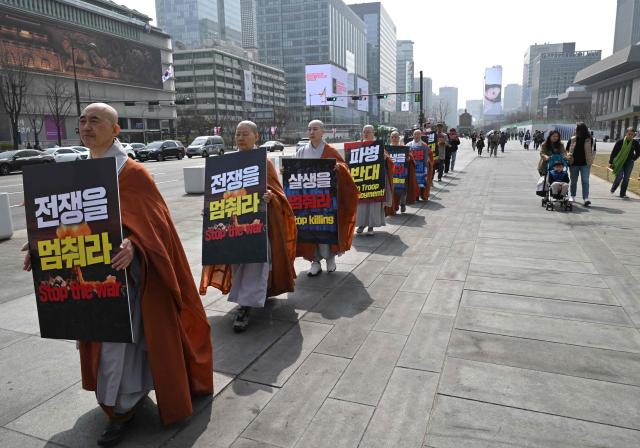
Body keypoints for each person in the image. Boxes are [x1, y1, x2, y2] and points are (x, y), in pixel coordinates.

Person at [20, 103, 214, 446]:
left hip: (132, 279)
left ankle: (121, 410)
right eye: (82, 120)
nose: (86, 125)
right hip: (91, 278)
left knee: (119, 347)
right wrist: (39, 248)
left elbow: (157, 229)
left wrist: (134, 245)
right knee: (111, 345)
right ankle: (125, 402)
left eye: (95, 120)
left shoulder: (135, 174)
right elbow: (67, 225)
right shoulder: (78, 174)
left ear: (116, 129)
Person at [201, 121, 296, 331]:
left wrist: (272, 198)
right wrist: (209, 212)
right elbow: (217, 195)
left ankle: (244, 307)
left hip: (257, 227)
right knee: (238, 263)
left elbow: (280, 195)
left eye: (245, 134)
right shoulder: (226, 163)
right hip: (233, 227)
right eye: (237, 134)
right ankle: (248, 299)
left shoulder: (264, 163)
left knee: (256, 263)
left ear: (256, 137)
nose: (240, 138)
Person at [295, 120, 358, 275]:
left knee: (326, 228)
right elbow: (294, 171)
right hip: (308, 199)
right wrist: (286, 171)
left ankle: (330, 258)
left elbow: (344, 167)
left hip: (326, 200)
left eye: (315, 129)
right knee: (310, 229)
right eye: (309, 129)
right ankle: (315, 261)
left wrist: (339, 169)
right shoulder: (301, 151)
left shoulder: (330, 150)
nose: (311, 132)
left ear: (323, 132)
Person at [354, 125, 394, 235]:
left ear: (373, 133)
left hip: (376, 180)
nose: (366, 134)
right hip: (362, 179)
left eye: (368, 132)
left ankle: (371, 226)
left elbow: (390, 161)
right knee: (361, 204)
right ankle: (361, 224)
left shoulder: (379, 146)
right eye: (364, 132)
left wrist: (385, 158)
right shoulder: (358, 145)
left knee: (374, 204)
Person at [388, 130, 419, 214]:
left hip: (402, 173)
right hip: (391, 174)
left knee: (402, 190)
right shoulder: (386, 149)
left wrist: (409, 159)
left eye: (396, 137)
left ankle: (403, 204)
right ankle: (393, 207)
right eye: (392, 137)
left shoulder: (403, 148)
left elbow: (410, 158)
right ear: (390, 138)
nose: (394, 138)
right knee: (392, 191)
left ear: (399, 138)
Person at [567, 122, 595, 206]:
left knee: (585, 181)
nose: (575, 130)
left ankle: (586, 198)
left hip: (585, 164)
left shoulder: (590, 139)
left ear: (581, 130)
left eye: (576, 129)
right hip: (574, 163)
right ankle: (572, 196)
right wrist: (568, 156)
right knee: (573, 181)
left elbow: (594, 151)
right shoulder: (572, 139)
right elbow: (567, 149)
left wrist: (591, 160)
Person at [609, 127, 640, 198]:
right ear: (626, 133)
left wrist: (634, 158)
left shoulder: (635, 143)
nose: (630, 136)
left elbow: (638, 152)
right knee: (619, 176)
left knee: (626, 178)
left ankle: (622, 194)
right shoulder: (620, 142)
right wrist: (610, 162)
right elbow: (614, 152)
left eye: (632, 135)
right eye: (629, 134)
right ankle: (613, 188)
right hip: (619, 162)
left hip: (629, 162)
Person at [408, 129, 432, 200]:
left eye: (418, 134)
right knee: (413, 182)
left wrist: (425, 168)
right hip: (412, 167)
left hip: (421, 167)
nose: (416, 136)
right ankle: (415, 196)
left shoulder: (424, 145)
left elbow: (426, 157)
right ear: (413, 135)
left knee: (421, 182)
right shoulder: (408, 145)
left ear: (421, 135)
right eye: (415, 134)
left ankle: (421, 195)